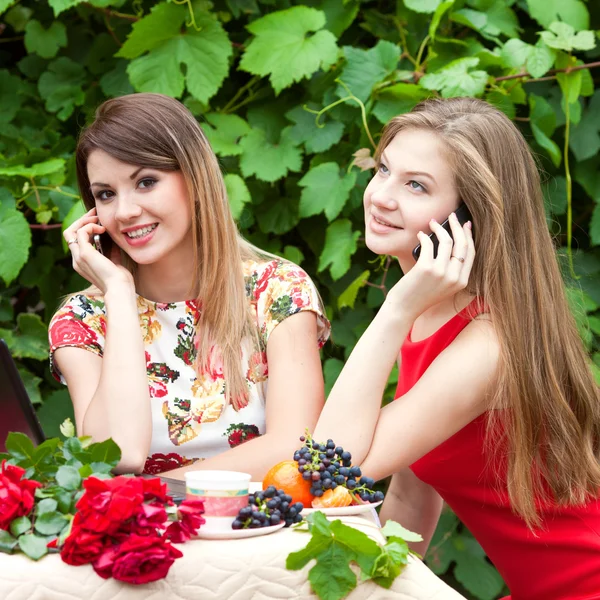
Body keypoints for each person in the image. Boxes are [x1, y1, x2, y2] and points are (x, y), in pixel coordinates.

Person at [313, 97, 600, 600]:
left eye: (416, 185)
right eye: (384, 169)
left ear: (470, 218)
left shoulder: (486, 344)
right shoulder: (429, 313)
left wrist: (395, 308)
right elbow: (410, 495)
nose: (380, 195)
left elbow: (333, 464)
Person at [48, 93, 329, 480]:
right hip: (143, 537)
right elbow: (114, 456)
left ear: (195, 180)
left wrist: (153, 493)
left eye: (146, 182)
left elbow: (294, 447)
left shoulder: (277, 291)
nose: (125, 211)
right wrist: (118, 294)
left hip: (262, 530)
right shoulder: (84, 320)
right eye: (106, 194)